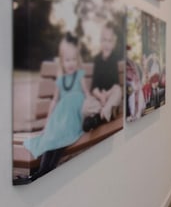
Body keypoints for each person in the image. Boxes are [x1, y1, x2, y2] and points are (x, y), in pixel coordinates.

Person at [21, 33, 89, 181]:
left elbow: (87, 95)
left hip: (73, 121)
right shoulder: (61, 79)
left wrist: (86, 115)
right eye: (67, 60)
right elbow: (54, 101)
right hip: (60, 121)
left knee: (59, 136)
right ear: (62, 62)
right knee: (51, 138)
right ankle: (43, 170)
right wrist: (47, 124)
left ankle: (46, 170)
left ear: (77, 61)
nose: (70, 63)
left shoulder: (79, 76)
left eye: (73, 60)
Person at [82, 23, 122, 131]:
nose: (106, 44)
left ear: (113, 44)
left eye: (109, 41)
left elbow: (116, 84)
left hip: (110, 97)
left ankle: (97, 118)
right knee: (85, 106)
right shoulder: (97, 60)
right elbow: (94, 87)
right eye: (104, 40)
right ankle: (106, 114)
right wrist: (100, 97)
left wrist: (107, 95)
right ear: (100, 41)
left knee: (118, 90)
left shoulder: (114, 59)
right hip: (99, 99)